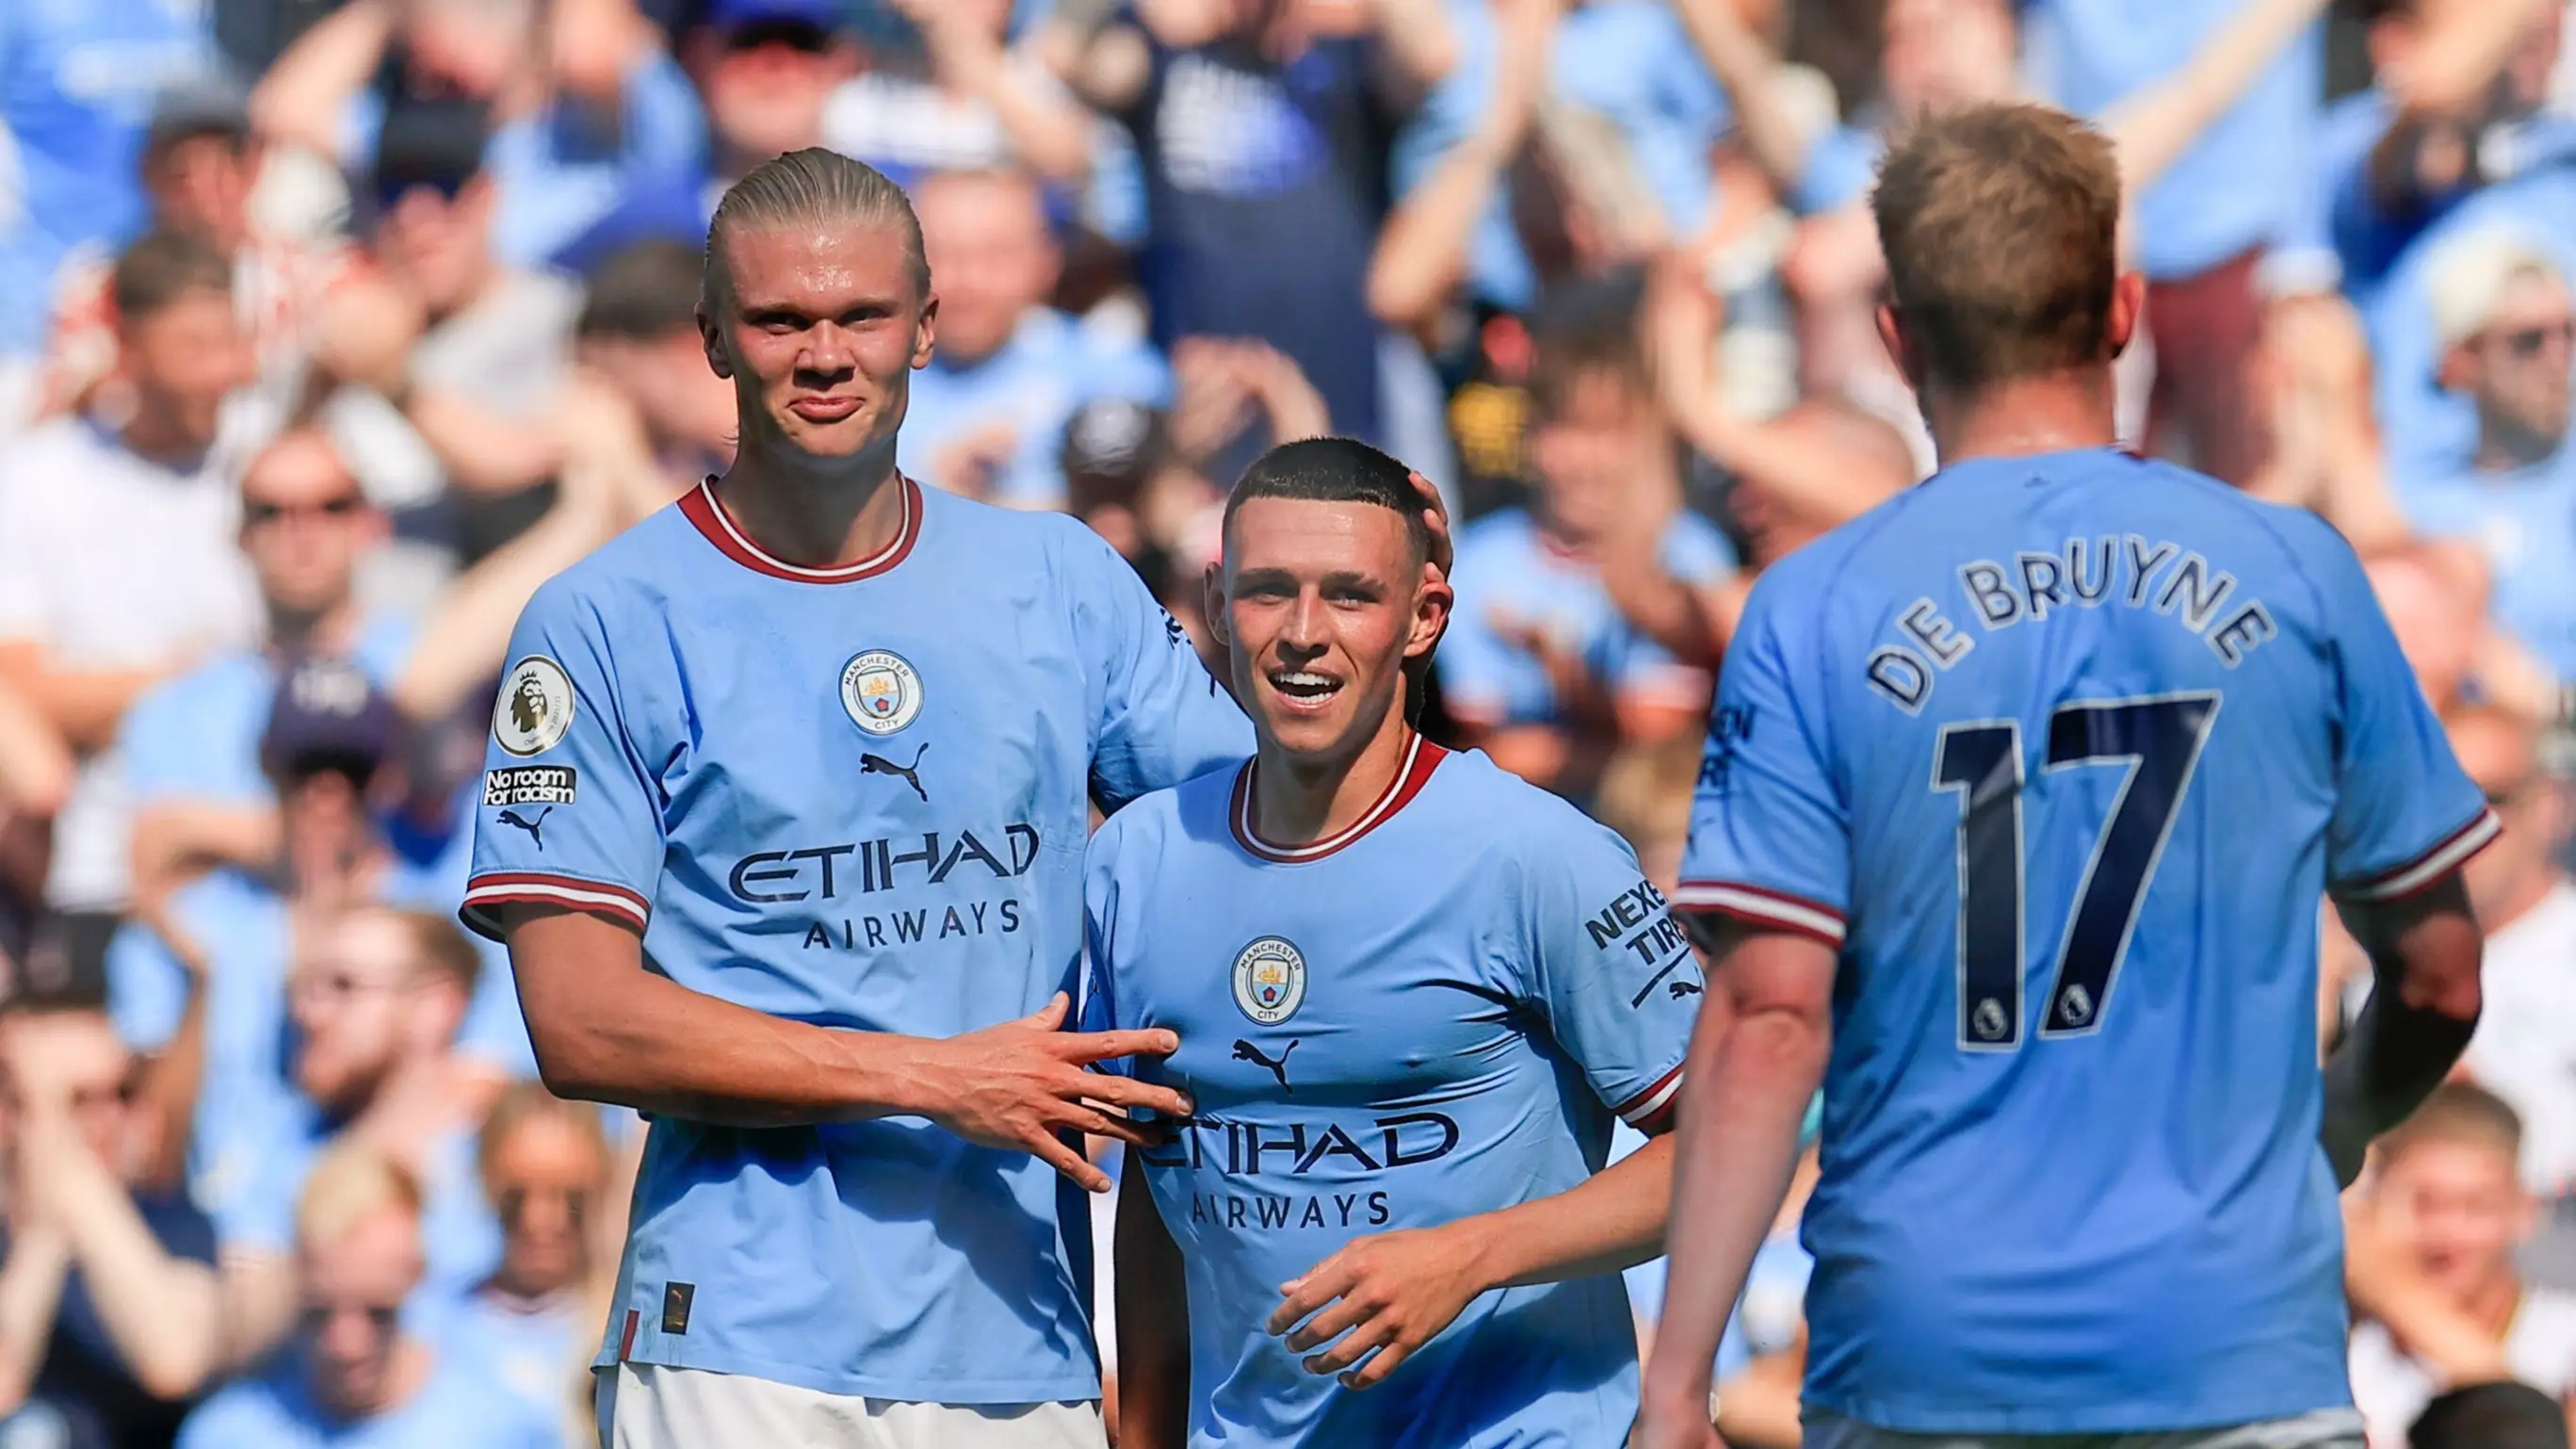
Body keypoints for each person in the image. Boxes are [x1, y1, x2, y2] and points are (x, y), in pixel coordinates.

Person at [1637, 103, 2493, 1449]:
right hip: (2232, 1346)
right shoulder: (2293, 570)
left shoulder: (1811, 608)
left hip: (1921, 1355)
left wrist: (1675, 1383)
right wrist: (2334, 1118)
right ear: (2121, 312)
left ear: (1896, 336)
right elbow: (2438, 973)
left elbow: (1766, 1013)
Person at [460, 148, 1310, 1448]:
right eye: (779, 320)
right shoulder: (602, 620)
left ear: (924, 326)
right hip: (737, 1338)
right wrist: (933, 1075)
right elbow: (580, 1024)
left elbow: (1274, 839)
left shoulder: (1057, 579)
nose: (823, 354)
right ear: (711, 340)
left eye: (858, 315)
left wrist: (1372, 619)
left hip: (1020, 1328)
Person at [1087, 436, 1697, 1444]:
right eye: (1267, 592)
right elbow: (1160, 1188)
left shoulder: (1536, 853)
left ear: (1424, 617)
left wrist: (1476, 1253)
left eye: (1350, 596)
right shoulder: (1136, 861)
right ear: (1211, 604)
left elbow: (1726, 1147)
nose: (1302, 633)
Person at [0, 229, 263, 991]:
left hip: (257, 865)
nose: (224, 371)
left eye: (231, 341)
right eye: (194, 346)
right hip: (101, 872)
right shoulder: (43, 479)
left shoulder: (273, 463)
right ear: (128, 349)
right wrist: (200, 681)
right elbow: (27, 690)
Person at [174, 1147, 556, 1449]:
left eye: (378, 1312)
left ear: (416, 1278)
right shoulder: (228, 1435)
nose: (346, 1344)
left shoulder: (501, 1430)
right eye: (319, 1314)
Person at [0, 1005, 222, 1449]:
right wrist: (43, 1240)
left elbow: (175, 1360)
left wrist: (75, 1190)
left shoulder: (172, 1221)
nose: (108, 1117)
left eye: (121, 1093)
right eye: (78, 1099)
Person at [899, 169, 1169, 509]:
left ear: (1045, 262)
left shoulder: (1115, 372)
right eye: (940, 255)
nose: (967, 280)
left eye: (994, 257)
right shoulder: (859, 379)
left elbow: (1136, 515)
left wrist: (989, 508)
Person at [2344, 1084, 2576, 1449]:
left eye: (2476, 1206)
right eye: (2424, 1203)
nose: (2447, 1234)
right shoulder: (2345, 1353)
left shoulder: (2565, 1343)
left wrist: (2394, 1291)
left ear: (2523, 1210)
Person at [2400, 229, 2576, 677]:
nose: (2558, 358)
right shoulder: (2416, 507)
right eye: (2529, 340)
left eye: (2570, 332)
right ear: (2460, 362)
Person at [2438, 708, 2576, 1199]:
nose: (2454, 825)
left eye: (2486, 799)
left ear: (2551, 807)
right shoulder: (2358, 959)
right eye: (2435, 797)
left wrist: (2446, 1094)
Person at [441, 1084, 615, 1441]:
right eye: (516, 1197)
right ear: (485, 1181)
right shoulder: (434, 1324)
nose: (541, 1220)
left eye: (570, 1198)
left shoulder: (622, 1334)